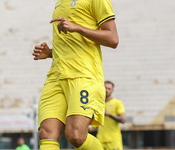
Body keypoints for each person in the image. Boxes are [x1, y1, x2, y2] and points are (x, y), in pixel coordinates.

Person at [32, 0, 119, 149]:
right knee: (47, 133)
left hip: (84, 76)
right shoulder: (60, 2)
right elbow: (74, 44)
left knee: (75, 136)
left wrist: (78, 28)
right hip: (56, 77)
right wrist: (50, 53)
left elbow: (113, 39)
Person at [96, 80, 126, 150]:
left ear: (113, 90)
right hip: (101, 138)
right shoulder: (99, 103)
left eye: (109, 89)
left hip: (114, 140)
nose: (106, 90)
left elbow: (123, 120)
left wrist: (109, 115)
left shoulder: (117, 103)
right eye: (105, 88)